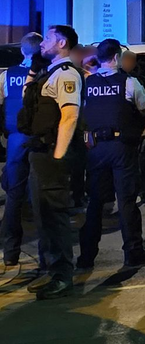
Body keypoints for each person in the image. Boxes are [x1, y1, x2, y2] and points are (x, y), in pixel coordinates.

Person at [77, 39, 145, 271]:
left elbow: (83, 111)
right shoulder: (129, 82)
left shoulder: (88, 82)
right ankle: (133, 252)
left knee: (95, 203)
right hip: (121, 146)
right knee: (127, 201)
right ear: (115, 57)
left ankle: (86, 256)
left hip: (95, 148)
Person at [22, 26, 84, 299]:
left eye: (48, 38)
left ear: (61, 42)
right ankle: (51, 269)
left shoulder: (67, 74)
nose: (43, 43)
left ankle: (62, 276)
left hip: (51, 155)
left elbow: (69, 117)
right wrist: (34, 69)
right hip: (39, 153)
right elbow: (28, 98)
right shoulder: (49, 72)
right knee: (43, 216)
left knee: (55, 218)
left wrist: (58, 156)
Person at [0, 32, 41, 267]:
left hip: (15, 139)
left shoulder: (8, 75)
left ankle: (10, 252)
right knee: (42, 197)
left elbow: (2, 105)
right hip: (39, 139)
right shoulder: (46, 73)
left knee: (14, 198)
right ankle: (46, 257)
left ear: (22, 51)